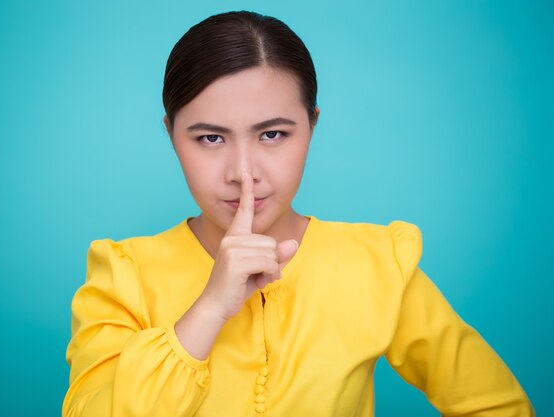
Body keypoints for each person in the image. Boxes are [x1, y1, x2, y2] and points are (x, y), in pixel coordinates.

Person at [62, 10, 535, 417]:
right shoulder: (121, 274)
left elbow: (495, 404)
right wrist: (208, 310)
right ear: (171, 135)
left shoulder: (381, 265)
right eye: (210, 137)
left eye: (272, 135)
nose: (243, 173)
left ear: (312, 125)